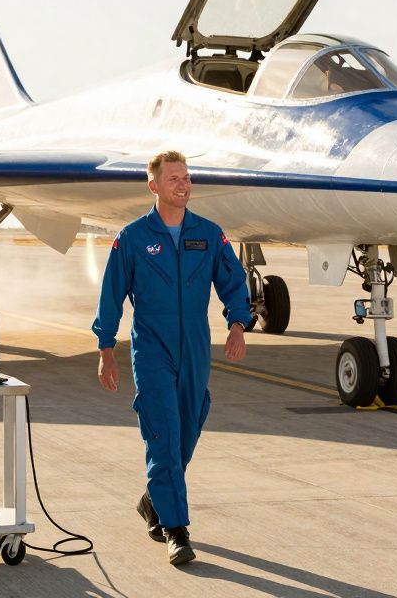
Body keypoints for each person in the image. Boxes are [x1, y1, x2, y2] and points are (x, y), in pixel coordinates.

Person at [92, 150, 251, 566]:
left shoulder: (208, 233)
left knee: (189, 425)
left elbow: (234, 282)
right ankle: (176, 530)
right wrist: (105, 349)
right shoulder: (131, 238)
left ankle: (153, 499)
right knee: (162, 430)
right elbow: (110, 297)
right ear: (154, 185)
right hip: (152, 346)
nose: (183, 185)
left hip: (196, 344)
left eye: (186, 178)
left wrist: (238, 324)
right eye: (174, 178)